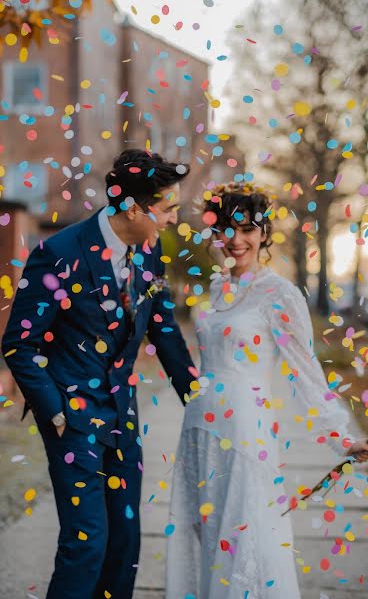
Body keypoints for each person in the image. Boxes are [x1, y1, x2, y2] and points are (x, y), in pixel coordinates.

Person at [166, 181, 368, 598]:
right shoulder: (213, 289)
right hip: (197, 430)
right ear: (215, 233)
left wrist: (342, 437)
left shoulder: (280, 294)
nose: (237, 240)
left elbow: (305, 370)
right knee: (204, 534)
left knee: (244, 533)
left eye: (247, 230)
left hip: (246, 431)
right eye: (227, 229)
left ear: (263, 234)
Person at [2, 149, 195, 599]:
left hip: (123, 419)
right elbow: (19, 344)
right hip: (72, 422)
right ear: (132, 206)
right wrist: (55, 412)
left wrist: (199, 395)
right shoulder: (58, 253)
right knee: (86, 544)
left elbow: (164, 329)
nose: (171, 220)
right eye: (167, 209)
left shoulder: (149, 254)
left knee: (124, 546)